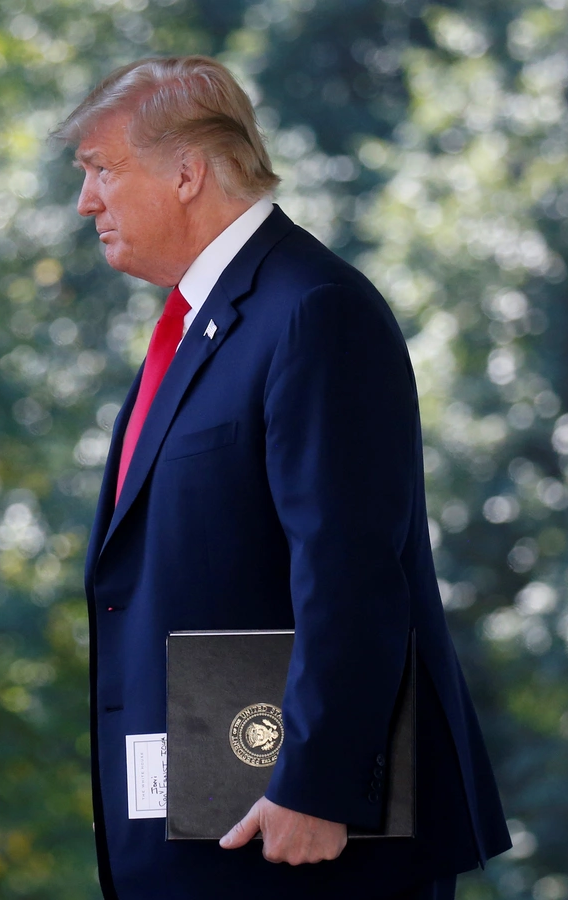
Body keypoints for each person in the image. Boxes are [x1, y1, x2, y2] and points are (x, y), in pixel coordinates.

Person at [55, 56, 513, 899]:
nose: (87, 201)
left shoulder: (312, 310)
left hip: (302, 838)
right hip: (205, 827)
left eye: (101, 170)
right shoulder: (205, 324)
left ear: (187, 171)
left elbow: (350, 570)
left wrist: (316, 783)